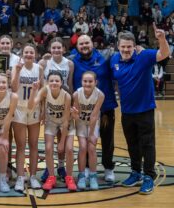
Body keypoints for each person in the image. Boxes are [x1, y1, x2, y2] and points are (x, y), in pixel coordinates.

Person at [110, 24, 170, 194]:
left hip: (145, 110)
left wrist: (162, 39)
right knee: (132, 144)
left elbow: (164, 54)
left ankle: (149, 176)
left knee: (147, 144)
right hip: (127, 112)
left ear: (134, 46)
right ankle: (136, 172)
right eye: (123, 46)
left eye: (129, 46)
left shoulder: (144, 56)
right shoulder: (114, 60)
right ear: (118, 46)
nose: (126, 49)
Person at [71, 35, 118, 182]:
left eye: (87, 43)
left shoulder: (106, 56)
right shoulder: (72, 60)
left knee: (107, 138)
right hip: (84, 109)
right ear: (77, 46)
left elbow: (122, 55)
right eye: (81, 44)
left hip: (105, 107)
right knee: (85, 140)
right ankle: (85, 168)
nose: (84, 46)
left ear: (93, 44)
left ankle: (108, 167)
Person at [28, 71, 76, 191]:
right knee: (48, 148)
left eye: (57, 81)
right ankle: (51, 177)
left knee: (69, 149)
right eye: (51, 81)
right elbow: (31, 106)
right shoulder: (44, 90)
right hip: (52, 121)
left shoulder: (66, 96)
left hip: (66, 122)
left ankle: (69, 177)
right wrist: (33, 91)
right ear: (48, 82)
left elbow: (65, 121)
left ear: (61, 82)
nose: (54, 83)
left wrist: (61, 142)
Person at [11, 44, 44, 191]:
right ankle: (20, 177)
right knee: (20, 145)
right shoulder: (16, 67)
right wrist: (17, 72)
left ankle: (33, 177)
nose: (29, 54)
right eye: (26, 52)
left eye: (31, 52)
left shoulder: (39, 69)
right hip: (19, 108)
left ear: (35, 54)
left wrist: (42, 110)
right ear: (22, 54)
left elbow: (42, 91)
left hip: (34, 108)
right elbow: (12, 87)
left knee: (34, 144)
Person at [72, 71, 104, 190]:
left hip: (93, 123)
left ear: (96, 82)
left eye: (90, 81)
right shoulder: (76, 94)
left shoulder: (100, 95)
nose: (87, 83)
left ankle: (93, 176)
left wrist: (91, 134)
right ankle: (81, 176)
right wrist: (74, 115)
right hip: (81, 122)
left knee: (91, 147)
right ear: (81, 82)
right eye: (85, 81)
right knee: (83, 147)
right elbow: (77, 115)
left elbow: (94, 116)